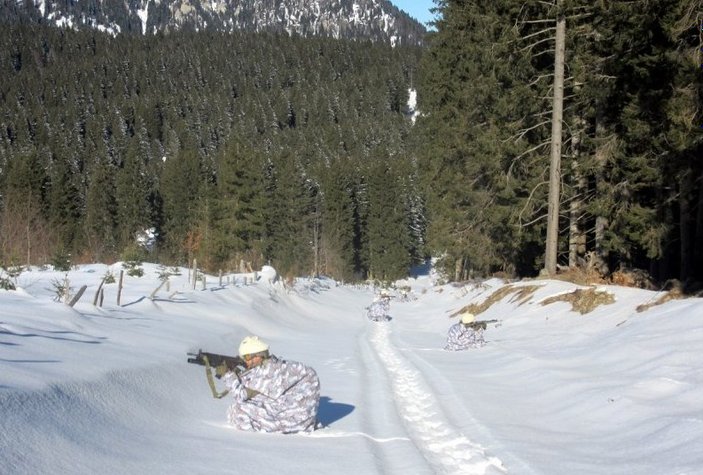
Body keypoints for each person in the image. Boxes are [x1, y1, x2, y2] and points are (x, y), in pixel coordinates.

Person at [208, 336, 320, 433]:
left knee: (237, 412)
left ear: (259, 356)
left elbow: (240, 395)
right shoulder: (275, 364)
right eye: (243, 358)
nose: (245, 361)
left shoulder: (268, 372)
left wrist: (227, 374)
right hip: (301, 415)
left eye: (247, 357)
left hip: (293, 421)